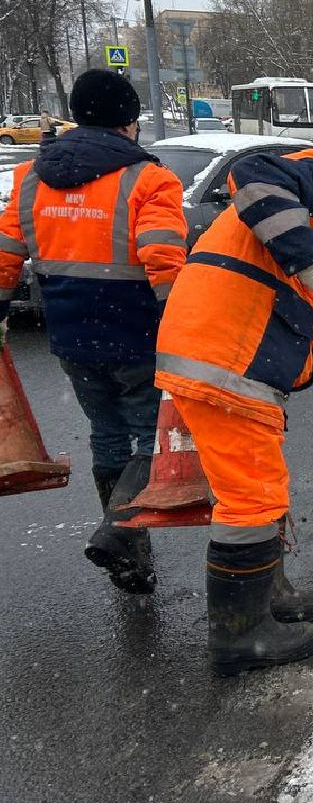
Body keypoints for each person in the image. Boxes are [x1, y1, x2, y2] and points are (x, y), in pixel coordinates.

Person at [153, 122, 313, 676]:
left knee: (259, 484)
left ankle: (269, 597)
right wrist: (310, 256)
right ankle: (240, 634)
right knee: (251, 496)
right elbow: (253, 172)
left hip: (221, 350)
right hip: (228, 354)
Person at [0, 69, 188, 593]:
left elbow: (6, 256)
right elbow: (163, 261)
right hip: (137, 334)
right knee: (153, 438)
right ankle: (120, 531)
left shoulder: (30, 179)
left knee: (106, 437)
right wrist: (183, 325)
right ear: (129, 124)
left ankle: (131, 561)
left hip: (70, 335)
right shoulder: (149, 179)